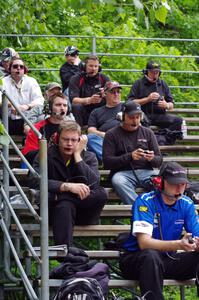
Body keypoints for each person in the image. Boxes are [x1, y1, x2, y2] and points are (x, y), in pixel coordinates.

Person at [119, 161, 199, 300]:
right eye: (174, 183)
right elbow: (144, 243)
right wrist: (180, 244)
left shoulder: (187, 203)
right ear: (160, 182)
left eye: (183, 184)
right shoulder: (145, 201)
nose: (179, 188)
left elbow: (197, 234)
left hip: (167, 260)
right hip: (137, 260)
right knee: (151, 255)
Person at [31, 120, 107, 246]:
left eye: (73, 140)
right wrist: (66, 187)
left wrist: (78, 156)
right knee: (65, 204)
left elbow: (94, 183)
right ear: (57, 139)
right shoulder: (46, 154)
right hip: (56, 212)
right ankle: (66, 254)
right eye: (65, 139)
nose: (69, 144)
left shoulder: (89, 157)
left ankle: (61, 198)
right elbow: (34, 180)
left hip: (83, 213)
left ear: (80, 141)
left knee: (101, 193)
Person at [103, 101, 162, 204]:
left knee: (165, 179)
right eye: (131, 117)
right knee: (118, 181)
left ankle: (160, 211)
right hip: (122, 173)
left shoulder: (148, 132)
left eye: (138, 117)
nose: (135, 121)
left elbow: (159, 161)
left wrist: (152, 158)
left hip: (147, 172)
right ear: (122, 117)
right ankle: (141, 209)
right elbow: (107, 162)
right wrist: (130, 156)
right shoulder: (111, 134)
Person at [128, 60, 182, 134]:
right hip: (143, 115)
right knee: (140, 122)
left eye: (157, 72)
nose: (155, 75)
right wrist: (147, 99)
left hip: (160, 116)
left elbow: (171, 104)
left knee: (178, 120)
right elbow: (129, 102)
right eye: (152, 72)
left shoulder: (163, 84)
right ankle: (150, 141)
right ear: (146, 72)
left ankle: (163, 140)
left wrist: (166, 105)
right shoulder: (138, 83)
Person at [22, 92, 73, 165]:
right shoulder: (38, 128)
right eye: (58, 105)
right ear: (49, 108)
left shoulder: (72, 128)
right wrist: (50, 151)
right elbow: (28, 155)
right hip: (45, 166)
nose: (62, 108)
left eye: (65, 105)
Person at [0, 57, 44, 135]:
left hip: (28, 119)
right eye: (15, 66)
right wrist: (10, 105)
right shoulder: (3, 81)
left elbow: (40, 100)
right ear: (10, 69)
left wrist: (27, 106)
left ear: (24, 69)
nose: (18, 68)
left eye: (21, 67)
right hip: (7, 119)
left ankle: (38, 145)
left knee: (43, 117)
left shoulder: (31, 81)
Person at [69, 55, 110, 127]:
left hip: (100, 110)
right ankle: (79, 130)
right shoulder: (76, 79)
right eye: (91, 66)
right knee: (76, 106)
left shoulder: (104, 79)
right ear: (84, 66)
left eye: (96, 66)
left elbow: (113, 97)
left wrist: (105, 96)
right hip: (83, 110)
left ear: (99, 67)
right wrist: (89, 100)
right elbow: (74, 100)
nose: (93, 69)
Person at [87, 80, 122, 162]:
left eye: (118, 92)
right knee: (89, 138)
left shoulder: (127, 107)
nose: (116, 94)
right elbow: (90, 130)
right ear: (105, 94)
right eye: (113, 92)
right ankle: (110, 160)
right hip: (104, 142)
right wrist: (106, 135)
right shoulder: (96, 112)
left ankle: (114, 159)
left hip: (123, 140)